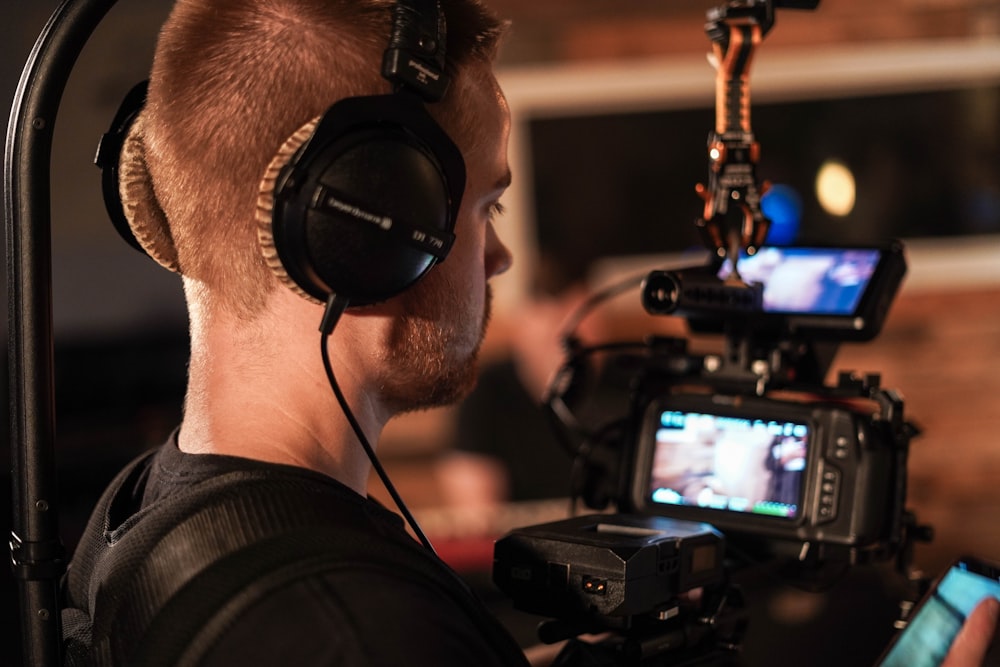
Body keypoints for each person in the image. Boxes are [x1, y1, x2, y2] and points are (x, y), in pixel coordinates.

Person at [56, 0, 996, 665]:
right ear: (366, 229)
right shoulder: (357, 633)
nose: (498, 258)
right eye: (487, 207)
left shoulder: (146, 506)